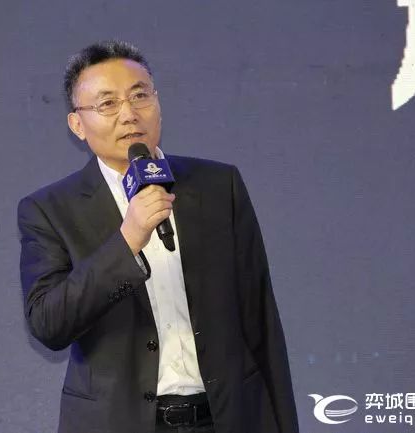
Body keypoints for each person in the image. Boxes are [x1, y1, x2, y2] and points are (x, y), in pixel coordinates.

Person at [18, 40, 299, 433]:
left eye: (139, 96)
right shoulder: (50, 209)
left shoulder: (219, 185)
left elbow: (260, 318)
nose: (129, 114)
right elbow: (49, 324)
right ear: (77, 125)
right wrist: (128, 240)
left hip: (226, 417)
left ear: (158, 103)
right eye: (108, 103)